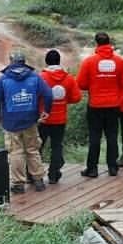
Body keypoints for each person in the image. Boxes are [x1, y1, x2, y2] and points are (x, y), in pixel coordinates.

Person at [0, 50, 54, 194]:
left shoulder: (4, 79)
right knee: (33, 150)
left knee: (15, 152)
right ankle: (38, 180)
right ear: (24, 62)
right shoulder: (34, 77)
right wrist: (47, 111)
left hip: (10, 122)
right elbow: (48, 94)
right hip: (30, 120)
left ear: (11, 61)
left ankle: (18, 184)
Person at [76, 32, 123, 178]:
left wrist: (94, 85)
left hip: (95, 104)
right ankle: (113, 167)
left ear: (96, 44)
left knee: (94, 137)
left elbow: (81, 83)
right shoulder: (119, 62)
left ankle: (92, 168)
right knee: (112, 136)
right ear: (109, 43)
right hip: (114, 104)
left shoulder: (89, 62)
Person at [39, 49, 82, 184]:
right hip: (60, 119)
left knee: (38, 147)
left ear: (46, 62)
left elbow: (34, 96)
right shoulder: (68, 78)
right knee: (57, 146)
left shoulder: (40, 77)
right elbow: (77, 97)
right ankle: (54, 174)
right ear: (59, 61)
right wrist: (63, 101)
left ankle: (33, 175)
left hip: (43, 118)